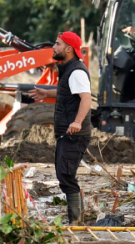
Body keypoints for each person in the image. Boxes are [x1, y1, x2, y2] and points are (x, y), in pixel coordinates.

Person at [29, 31, 92, 225]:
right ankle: (77, 218)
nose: (53, 47)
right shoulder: (69, 69)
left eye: (57, 44)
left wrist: (77, 121)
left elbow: (86, 98)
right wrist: (46, 92)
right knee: (65, 174)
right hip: (67, 132)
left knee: (65, 175)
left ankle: (76, 221)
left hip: (74, 132)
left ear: (69, 49)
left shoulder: (77, 71)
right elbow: (67, 92)